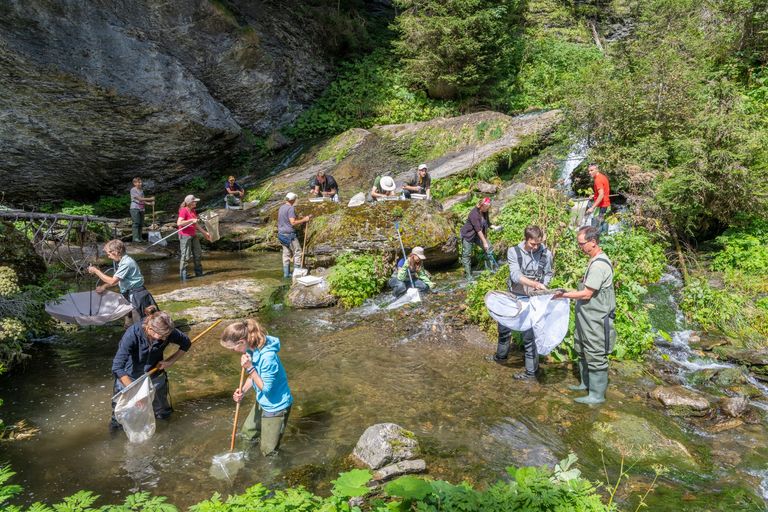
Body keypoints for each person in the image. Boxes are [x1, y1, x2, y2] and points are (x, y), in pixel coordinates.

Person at [554, 226, 616, 404]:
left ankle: (596, 395)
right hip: (585, 317)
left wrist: (563, 295)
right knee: (581, 349)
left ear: (593, 242)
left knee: (596, 354)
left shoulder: (599, 265)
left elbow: (587, 294)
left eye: (582, 244)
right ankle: (585, 383)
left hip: (597, 319)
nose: (579, 246)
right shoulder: (593, 260)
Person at [220, 319, 293, 456]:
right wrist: (242, 391)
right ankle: (245, 459)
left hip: (276, 406)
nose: (233, 351)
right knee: (248, 434)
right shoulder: (251, 349)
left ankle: (273, 474)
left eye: (233, 348)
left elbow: (266, 388)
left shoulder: (268, 358)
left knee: (268, 451)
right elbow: (253, 377)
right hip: (262, 401)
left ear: (241, 342)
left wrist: (250, 368)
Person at [110, 306, 191, 429]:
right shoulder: (132, 334)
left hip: (155, 375)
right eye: (162, 336)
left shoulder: (167, 331)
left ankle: (166, 434)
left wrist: (170, 361)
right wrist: (135, 393)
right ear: (150, 328)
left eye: (167, 336)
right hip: (129, 379)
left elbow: (186, 343)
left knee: (163, 412)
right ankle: (115, 440)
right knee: (120, 417)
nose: (165, 339)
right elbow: (117, 367)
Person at [490, 226, 553, 380]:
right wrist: (535, 284)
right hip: (513, 296)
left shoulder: (546, 253)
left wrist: (544, 284)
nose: (536, 247)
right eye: (532, 244)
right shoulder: (513, 252)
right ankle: (501, 357)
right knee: (503, 328)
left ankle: (531, 372)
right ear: (526, 240)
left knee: (529, 336)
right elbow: (515, 275)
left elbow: (549, 273)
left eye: (538, 244)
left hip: (533, 300)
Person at [88, 239, 157, 322]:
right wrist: (104, 286)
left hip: (136, 296)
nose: (108, 256)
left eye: (109, 253)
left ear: (116, 252)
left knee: (141, 322)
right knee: (130, 321)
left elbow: (112, 281)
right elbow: (119, 280)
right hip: (130, 294)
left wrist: (96, 271)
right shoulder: (123, 261)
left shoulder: (126, 263)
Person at [177, 194, 212, 280]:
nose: (196, 202)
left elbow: (196, 224)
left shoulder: (193, 211)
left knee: (198, 253)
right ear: (189, 203)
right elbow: (179, 223)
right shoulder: (183, 210)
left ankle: (199, 274)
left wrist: (205, 233)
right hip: (185, 236)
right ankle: (183, 277)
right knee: (185, 256)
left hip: (193, 235)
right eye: (194, 201)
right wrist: (191, 220)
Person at [277, 192, 311, 278]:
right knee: (298, 251)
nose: (296, 201)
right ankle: (296, 273)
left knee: (286, 253)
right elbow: (292, 222)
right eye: (295, 199)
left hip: (281, 234)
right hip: (289, 235)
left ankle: (286, 274)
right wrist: (304, 219)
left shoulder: (281, 207)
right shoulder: (290, 208)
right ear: (292, 200)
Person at [459, 197, 493, 281]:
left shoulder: (485, 212)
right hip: (468, 235)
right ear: (481, 206)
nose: (487, 209)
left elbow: (487, 223)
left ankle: (489, 271)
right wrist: (484, 242)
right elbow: (478, 230)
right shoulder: (473, 214)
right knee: (467, 255)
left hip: (477, 235)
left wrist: (494, 227)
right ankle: (469, 276)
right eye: (486, 208)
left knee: (489, 248)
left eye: (488, 208)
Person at [129, 177, 155, 243]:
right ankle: (135, 238)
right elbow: (140, 199)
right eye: (138, 182)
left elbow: (143, 200)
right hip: (134, 208)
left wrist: (149, 203)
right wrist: (150, 198)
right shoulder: (133, 190)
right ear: (134, 183)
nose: (140, 183)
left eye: (141, 182)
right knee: (136, 223)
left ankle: (140, 238)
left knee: (141, 223)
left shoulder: (141, 190)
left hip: (141, 209)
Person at [586, 163, 610, 232]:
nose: (590, 172)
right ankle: (606, 242)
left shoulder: (598, 180)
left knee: (595, 229)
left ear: (597, 170)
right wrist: (594, 195)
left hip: (602, 207)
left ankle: (594, 242)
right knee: (604, 226)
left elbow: (601, 195)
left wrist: (592, 207)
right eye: (589, 171)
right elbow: (603, 192)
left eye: (591, 170)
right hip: (607, 205)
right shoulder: (602, 177)